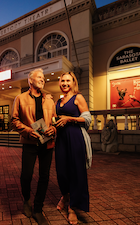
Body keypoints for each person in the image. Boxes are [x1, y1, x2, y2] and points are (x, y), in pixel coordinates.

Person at [11, 68, 56, 225]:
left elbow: (55, 120)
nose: (43, 80)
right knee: (26, 175)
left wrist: (54, 128)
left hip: (47, 142)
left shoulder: (50, 99)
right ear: (30, 80)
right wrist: (28, 131)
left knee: (44, 176)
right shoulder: (20, 98)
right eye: (39, 77)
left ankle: (38, 209)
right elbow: (14, 120)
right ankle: (27, 200)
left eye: (43, 78)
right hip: (30, 142)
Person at [54, 71, 92, 225]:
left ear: (74, 82)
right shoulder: (59, 100)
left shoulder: (79, 98)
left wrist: (69, 119)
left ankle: (73, 208)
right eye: (63, 81)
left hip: (75, 138)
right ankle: (65, 195)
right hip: (61, 139)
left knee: (76, 172)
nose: (65, 83)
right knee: (61, 171)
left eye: (68, 81)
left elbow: (87, 119)